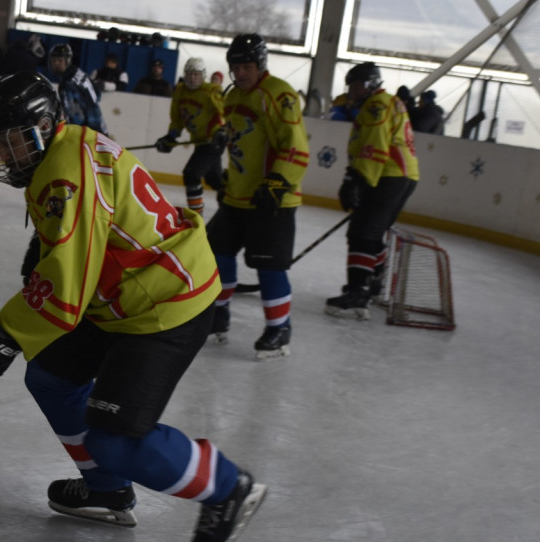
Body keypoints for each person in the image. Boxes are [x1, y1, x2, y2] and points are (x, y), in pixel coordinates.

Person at [0, 70, 267, 542]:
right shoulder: (64, 147)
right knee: (51, 377)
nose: (6, 154)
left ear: (44, 125)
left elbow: (67, 287)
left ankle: (229, 488)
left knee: (115, 440)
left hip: (165, 305)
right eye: (0, 143)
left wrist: (0, 335)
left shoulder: (62, 172)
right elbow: (91, 233)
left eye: (14, 141)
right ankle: (107, 491)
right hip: (123, 296)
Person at [203, 34, 309, 358]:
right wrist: (226, 177)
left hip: (272, 200)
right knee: (215, 255)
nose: (241, 73)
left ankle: (280, 330)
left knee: (270, 268)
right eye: (236, 67)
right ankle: (218, 316)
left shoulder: (278, 94)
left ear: (260, 64)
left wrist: (278, 182)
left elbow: (296, 146)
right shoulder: (234, 95)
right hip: (237, 198)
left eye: (247, 66)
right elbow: (242, 144)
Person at [325, 61, 419, 319]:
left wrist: (357, 178)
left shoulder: (376, 105)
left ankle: (357, 291)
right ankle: (372, 285)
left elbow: (375, 143)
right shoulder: (386, 101)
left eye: (355, 85)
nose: (351, 91)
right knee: (373, 232)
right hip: (398, 176)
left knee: (362, 232)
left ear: (368, 84)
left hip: (388, 176)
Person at [155, 57, 227, 215]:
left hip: (213, 140)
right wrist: (171, 136)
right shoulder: (180, 90)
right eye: (189, 74)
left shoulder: (211, 91)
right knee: (214, 179)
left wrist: (223, 130)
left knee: (191, 174)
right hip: (200, 141)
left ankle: (197, 216)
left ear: (203, 75)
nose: (192, 78)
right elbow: (177, 118)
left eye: (196, 74)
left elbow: (225, 111)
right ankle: (230, 203)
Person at [47, 43, 108, 136]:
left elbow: (80, 112)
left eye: (60, 60)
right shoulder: (72, 76)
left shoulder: (72, 81)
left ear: (67, 60)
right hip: (90, 130)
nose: (56, 64)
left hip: (89, 134)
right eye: (54, 61)